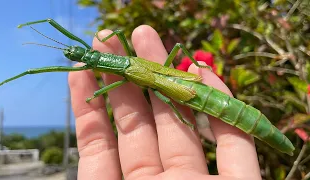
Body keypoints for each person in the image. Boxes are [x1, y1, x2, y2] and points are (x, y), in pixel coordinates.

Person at [68, 25, 262, 180]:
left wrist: (95, 95)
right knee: (173, 61)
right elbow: (118, 33)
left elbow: (108, 75)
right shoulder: (125, 61)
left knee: (168, 102)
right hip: (185, 86)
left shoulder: (121, 72)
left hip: (184, 90)